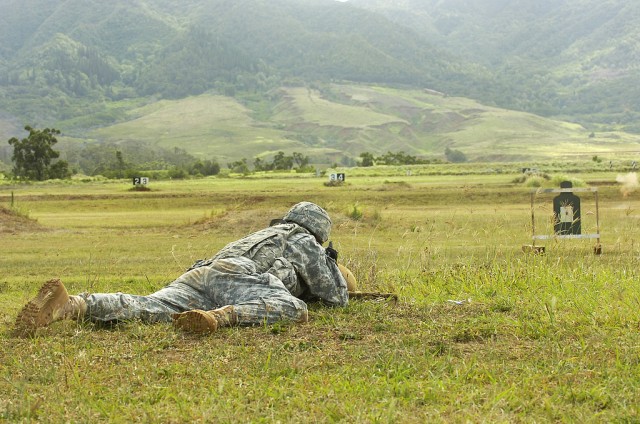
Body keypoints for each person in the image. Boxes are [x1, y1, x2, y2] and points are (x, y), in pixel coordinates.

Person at [14, 201, 355, 336]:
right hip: (238, 278)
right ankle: (219, 318)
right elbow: (337, 296)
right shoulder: (304, 239)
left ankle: (73, 303)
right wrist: (331, 264)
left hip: (202, 272)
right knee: (293, 308)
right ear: (318, 231)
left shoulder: (267, 232)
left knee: (148, 305)